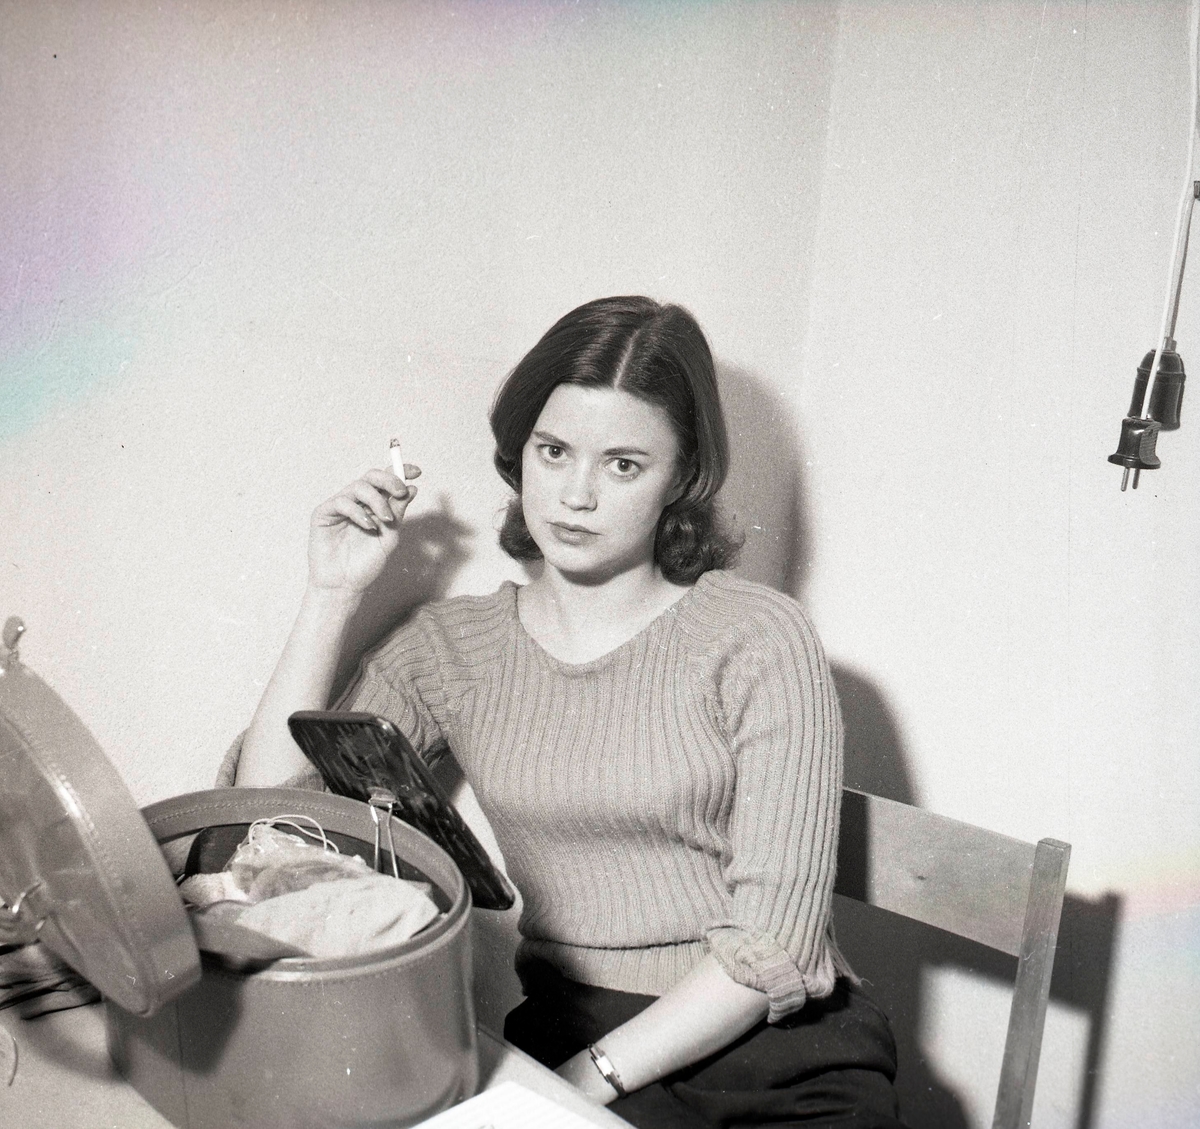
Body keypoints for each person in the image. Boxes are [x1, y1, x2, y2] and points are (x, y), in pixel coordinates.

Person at [227, 296, 907, 1127]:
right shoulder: (453, 646)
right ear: (519, 455)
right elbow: (270, 815)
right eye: (554, 452)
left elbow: (775, 947)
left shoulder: (759, 636)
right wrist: (331, 593)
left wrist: (582, 1082)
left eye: (623, 464)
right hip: (571, 1025)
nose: (576, 495)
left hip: (776, 1049)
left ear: (681, 477)